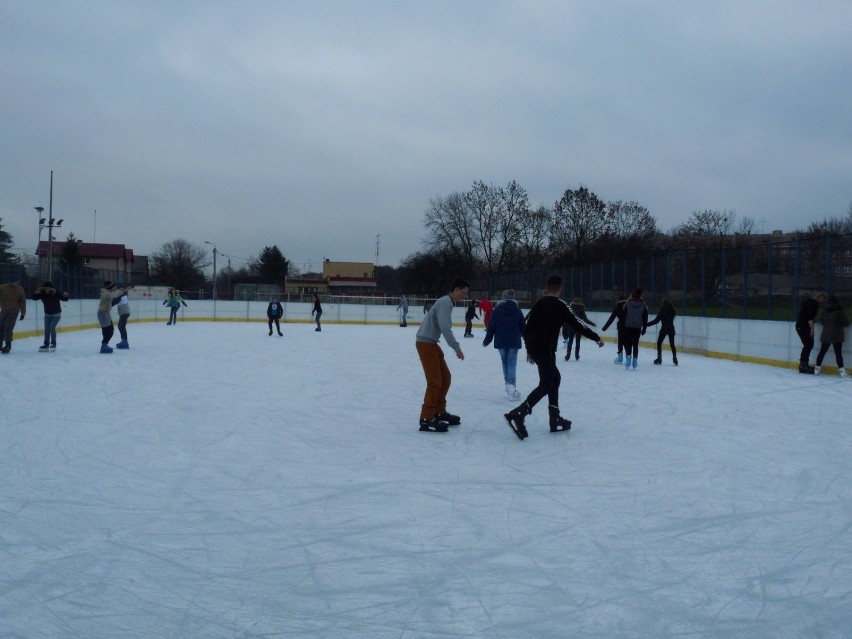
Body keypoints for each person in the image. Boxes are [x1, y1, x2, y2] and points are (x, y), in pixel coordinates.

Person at [504, 275, 604, 440]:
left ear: (547, 287)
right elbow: (577, 324)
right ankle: (518, 413)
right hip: (546, 350)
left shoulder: (538, 304)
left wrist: (529, 349)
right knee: (546, 384)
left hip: (536, 349)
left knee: (555, 378)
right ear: (560, 288)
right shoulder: (560, 305)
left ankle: (554, 417)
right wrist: (595, 337)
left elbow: (527, 327)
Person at [415, 277, 469, 433]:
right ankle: (426, 418)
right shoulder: (446, 302)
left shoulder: (447, 302)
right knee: (435, 382)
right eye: (463, 293)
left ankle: (439, 412)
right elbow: (445, 327)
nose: (463, 297)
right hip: (426, 344)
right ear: (456, 290)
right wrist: (456, 347)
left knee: (445, 378)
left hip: (431, 343)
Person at [483, 289, 526, 400]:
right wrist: (526, 338)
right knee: (511, 363)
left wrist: (486, 341)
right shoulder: (517, 310)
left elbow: (491, 327)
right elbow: (523, 327)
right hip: (514, 341)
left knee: (505, 362)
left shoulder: (496, 311)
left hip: (501, 341)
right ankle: (511, 386)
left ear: (503, 298)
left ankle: (508, 384)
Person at [814, 294, 848, 377]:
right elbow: (845, 322)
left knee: (822, 351)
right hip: (837, 334)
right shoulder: (840, 311)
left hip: (826, 333)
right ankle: (842, 371)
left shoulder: (825, 310)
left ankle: (817, 369)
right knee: (838, 353)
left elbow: (822, 322)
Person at [32, 280, 69, 352]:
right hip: (47, 314)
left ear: (51, 288)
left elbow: (64, 299)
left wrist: (66, 295)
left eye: (48, 288)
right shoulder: (42, 293)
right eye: (45, 288)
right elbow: (33, 298)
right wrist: (34, 293)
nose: (46, 290)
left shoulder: (56, 292)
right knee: (47, 329)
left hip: (56, 314)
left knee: (51, 327)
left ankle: (53, 343)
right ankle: (46, 344)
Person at [795, 292, 827, 374]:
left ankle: (803, 363)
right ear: (820, 298)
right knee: (808, 344)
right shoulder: (814, 304)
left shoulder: (809, 303)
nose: (824, 301)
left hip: (800, 325)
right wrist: (812, 329)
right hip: (803, 326)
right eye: (824, 299)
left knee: (808, 344)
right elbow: (810, 317)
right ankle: (803, 364)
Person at [98, 281, 130, 353]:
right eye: (114, 287)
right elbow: (114, 296)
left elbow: (115, 296)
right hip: (104, 313)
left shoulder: (108, 293)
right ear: (110, 287)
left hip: (115, 313)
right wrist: (124, 290)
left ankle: (123, 342)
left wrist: (122, 290)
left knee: (114, 329)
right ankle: (104, 345)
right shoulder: (106, 294)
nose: (115, 288)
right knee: (111, 329)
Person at [562, 297, 596, 361]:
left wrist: (565, 326)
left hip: (571, 327)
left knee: (570, 341)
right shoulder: (581, 309)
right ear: (580, 302)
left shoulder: (570, 308)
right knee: (578, 342)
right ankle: (577, 356)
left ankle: (568, 356)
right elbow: (585, 319)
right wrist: (592, 324)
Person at [0, 273, 26, 354]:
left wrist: (23, 313)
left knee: (8, 328)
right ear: (9, 282)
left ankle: (8, 346)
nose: (15, 284)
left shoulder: (20, 289)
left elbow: (23, 301)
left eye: (16, 282)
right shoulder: (2, 287)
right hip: (4, 310)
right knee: (1, 327)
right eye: (13, 282)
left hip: (14, 311)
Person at [622, 289, 648, 369]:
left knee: (628, 343)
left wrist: (623, 326)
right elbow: (645, 317)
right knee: (635, 344)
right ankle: (635, 361)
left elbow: (624, 315)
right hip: (637, 327)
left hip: (628, 326)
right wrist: (644, 328)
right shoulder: (643, 305)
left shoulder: (628, 303)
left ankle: (629, 357)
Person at [647, 299, 678, 366]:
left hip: (664, 329)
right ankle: (675, 358)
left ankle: (659, 358)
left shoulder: (662, 310)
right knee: (672, 344)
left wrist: (646, 325)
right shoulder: (672, 310)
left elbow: (656, 321)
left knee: (659, 343)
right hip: (671, 329)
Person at [602, 294, 627, 364]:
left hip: (621, 326)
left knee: (620, 341)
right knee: (627, 342)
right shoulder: (628, 306)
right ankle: (629, 357)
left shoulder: (617, 307)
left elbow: (612, 318)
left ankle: (620, 358)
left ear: (618, 300)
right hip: (629, 326)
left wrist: (604, 328)